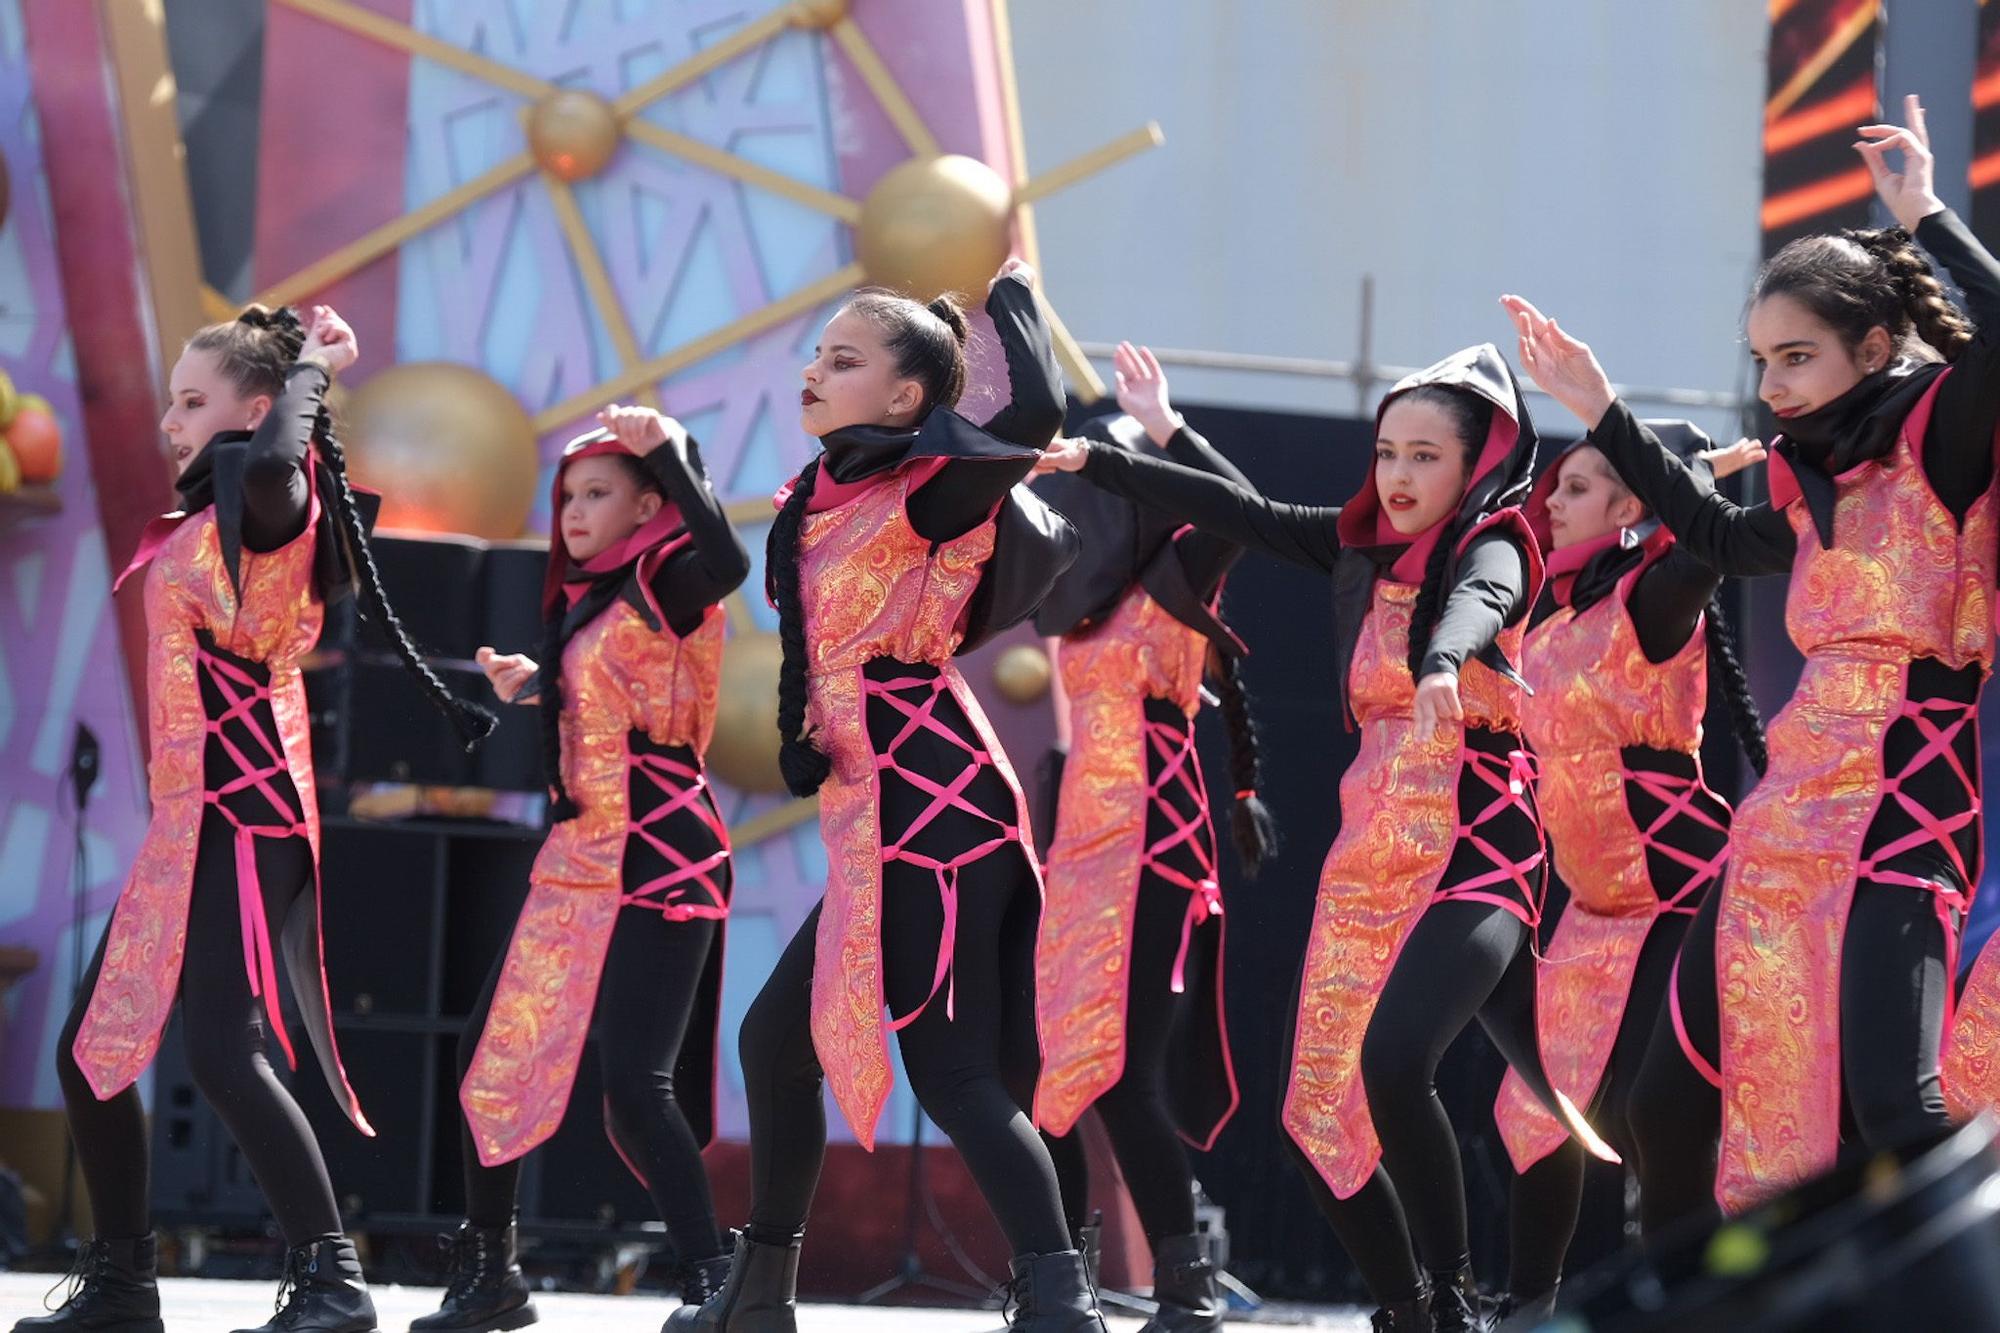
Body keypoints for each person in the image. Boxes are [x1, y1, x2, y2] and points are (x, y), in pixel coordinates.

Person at [1037, 343, 1612, 1333]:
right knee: (1319, 1114)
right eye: (1387, 451)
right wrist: (1103, 462)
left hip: (1478, 842)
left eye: (1425, 456)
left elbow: (1479, 598)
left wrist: (1440, 663)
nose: (1396, 475)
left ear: (1476, 464)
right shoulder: (1358, 547)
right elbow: (1243, 513)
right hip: (1368, 858)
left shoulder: (1500, 544)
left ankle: (1458, 1297)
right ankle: (1409, 1309)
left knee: (1397, 1063)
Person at [1501, 94, 1999, 1224]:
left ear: (1872, 348)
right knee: (1667, 1105)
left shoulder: (1944, 437)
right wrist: (1601, 408)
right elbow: (1719, 538)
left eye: (1796, 356)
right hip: (1781, 819)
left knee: (1896, 1110)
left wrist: (1922, 213)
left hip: (1900, 806)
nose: (1770, 385)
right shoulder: (1804, 475)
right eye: (1759, 359)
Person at [20, 305, 493, 1333]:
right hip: (191, 821)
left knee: (226, 1052)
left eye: (194, 402)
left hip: (243, 814)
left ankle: (332, 1281)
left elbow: (278, 469)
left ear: (258, 409)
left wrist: (315, 368)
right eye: (174, 402)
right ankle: (121, 1281)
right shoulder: (219, 513)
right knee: (91, 1048)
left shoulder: (270, 500)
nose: (170, 422)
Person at [671, 259, 1094, 1332]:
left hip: (937, 807)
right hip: (883, 813)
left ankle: (1058, 1297)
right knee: (776, 1042)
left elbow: (1036, 409)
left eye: (844, 359)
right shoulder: (821, 497)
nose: (814, 371)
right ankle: (760, 1292)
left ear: (907, 398)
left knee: (951, 1068)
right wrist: (795, 739)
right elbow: (810, 655)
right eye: (815, 355)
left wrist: (1010, 301)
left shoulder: (930, 488)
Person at [415, 404, 749, 1332]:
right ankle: (493, 1277)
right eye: (568, 494)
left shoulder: (673, 579)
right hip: (579, 860)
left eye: (597, 493)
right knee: (494, 1053)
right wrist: (543, 680)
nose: (573, 510)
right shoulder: (593, 602)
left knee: (637, 1088)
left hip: (659, 857)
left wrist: (672, 452)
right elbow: (609, 695)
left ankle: (718, 1285)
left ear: (651, 507)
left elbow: (727, 559)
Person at [1488, 427, 1766, 1319]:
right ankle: (1530, 1307)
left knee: (1661, 1120)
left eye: (1577, 488)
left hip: (1687, 898)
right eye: (1557, 487)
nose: (1554, 503)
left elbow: (1707, 547)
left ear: (1630, 506)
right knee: (1539, 1118)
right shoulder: (1555, 616)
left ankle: (1686, 1305)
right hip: (1596, 907)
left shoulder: (1654, 598)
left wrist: (1685, 481)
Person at [1031, 343, 1276, 1332]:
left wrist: (1162, 425)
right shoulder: (1077, 596)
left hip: (1154, 840)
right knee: (1055, 1070)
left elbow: (1243, 504)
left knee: (1125, 1073)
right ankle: (1055, 1279)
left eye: (1113, 470)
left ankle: (1187, 1294)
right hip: (1081, 845)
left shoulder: (1177, 569)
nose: (1096, 483)